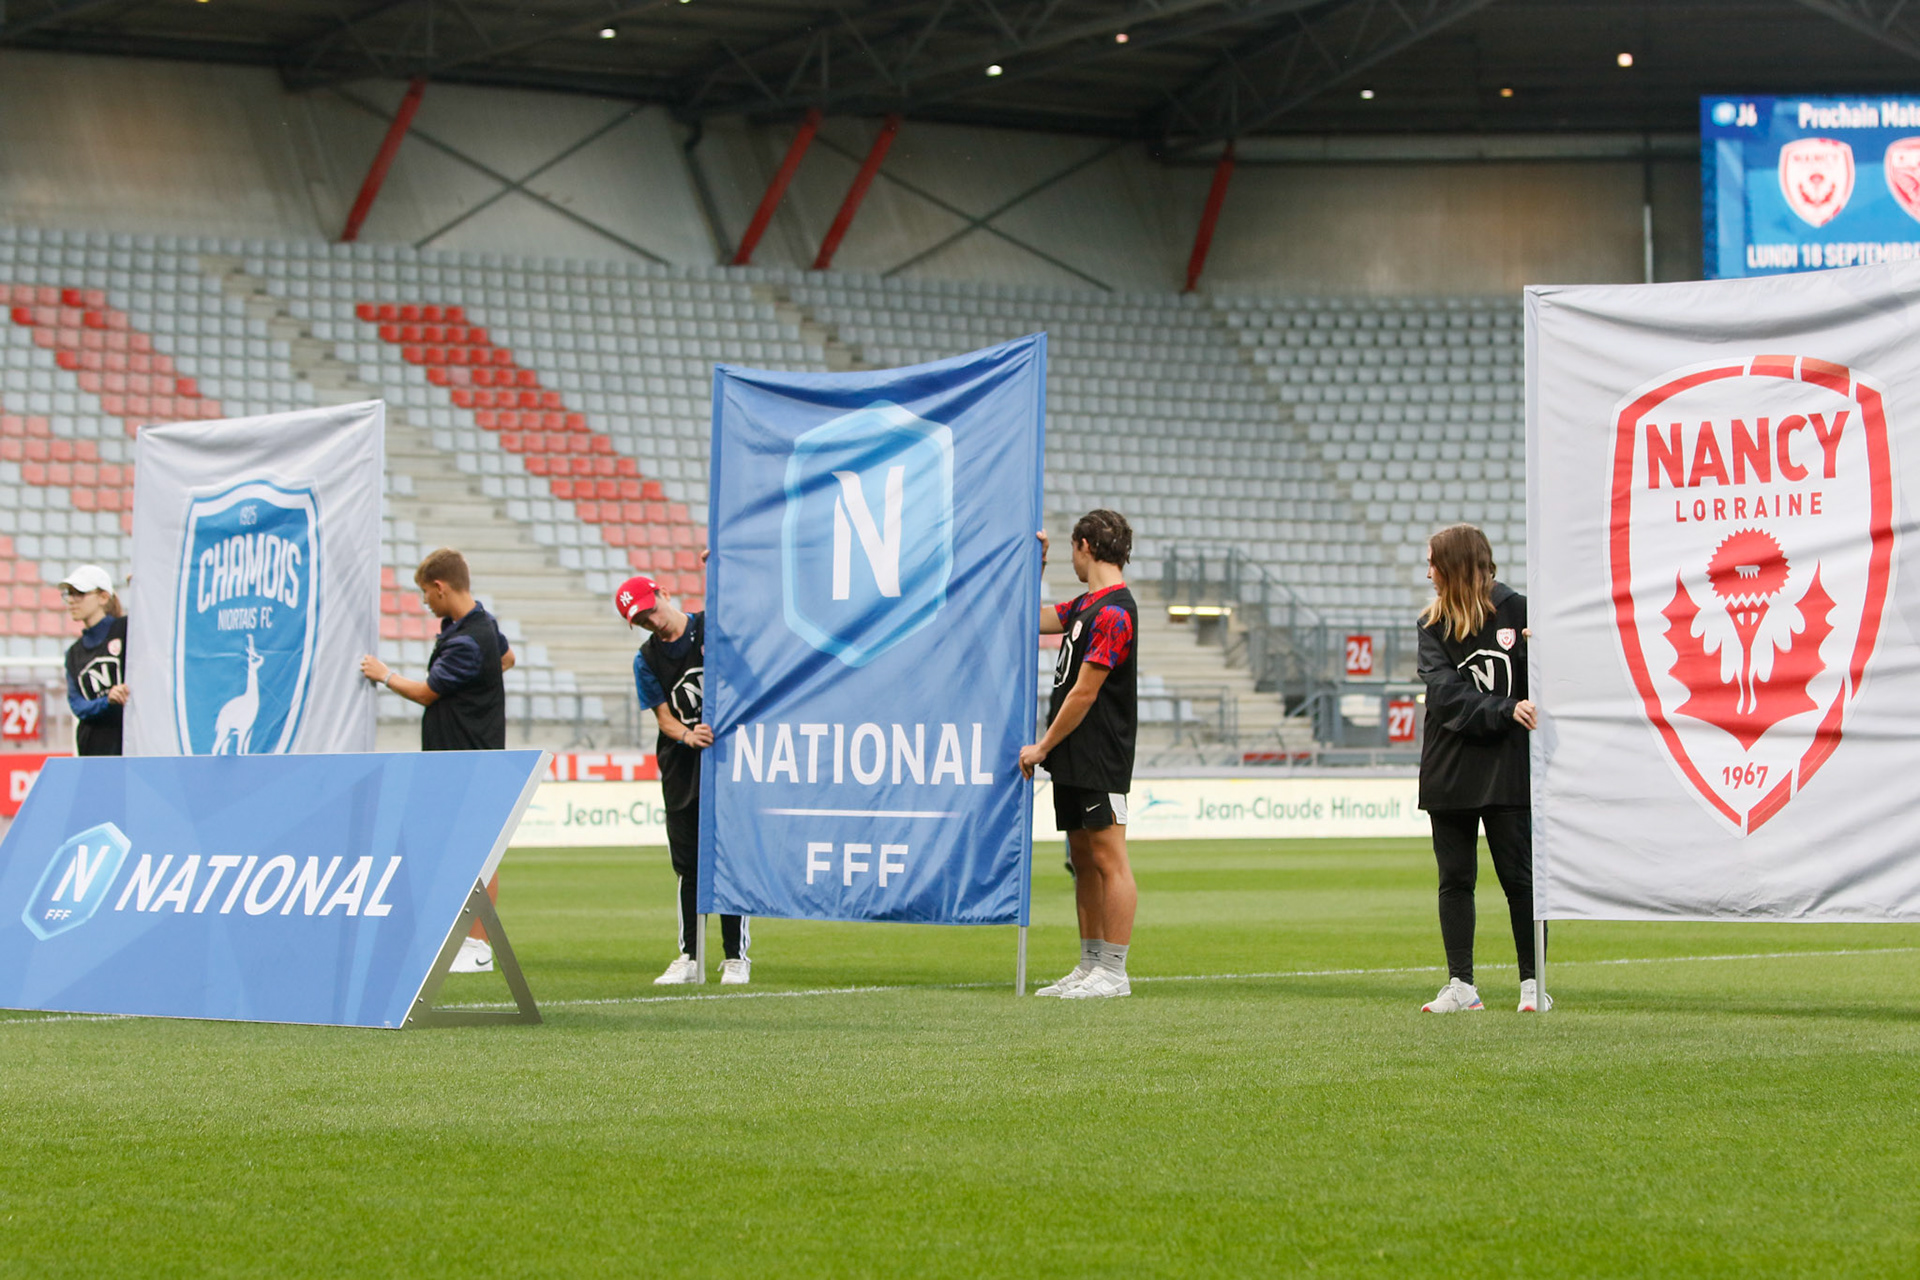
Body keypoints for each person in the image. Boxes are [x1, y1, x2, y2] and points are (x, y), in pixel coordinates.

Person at [359, 547, 514, 973]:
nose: (425, 601)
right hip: (464, 754)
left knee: (477, 851)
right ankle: (464, 939)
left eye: (426, 592)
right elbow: (507, 658)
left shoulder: (467, 641)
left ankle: (478, 946)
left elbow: (428, 693)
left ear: (441, 587)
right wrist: (479, 688)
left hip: (467, 756)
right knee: (461, 849)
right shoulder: (480, 625)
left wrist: (385, 675)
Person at [1414, 523, 1545, 1014]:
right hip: (1449, 770)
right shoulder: (1431, 625)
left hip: (1508, 768)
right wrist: (1505, 710)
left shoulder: (1521, 612)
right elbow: (1445, 696)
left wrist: (1536, 652)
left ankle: (1533, 984)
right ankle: (1461, 986)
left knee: (1520, 880)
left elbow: (1550, 684)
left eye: (1433, 563)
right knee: (1455, 879)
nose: (1429, 574)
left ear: (1455, 565)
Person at [1020, 509, 1139, 1000]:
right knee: (1083, 859)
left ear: (1085, 546)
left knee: (1110, 858)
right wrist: (1038, 566)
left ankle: (1114, 971)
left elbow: (1085, 692)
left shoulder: (1114, 612)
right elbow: (1033, 620)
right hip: (1073, 753)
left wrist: (1042, 746)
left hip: (1100, 753)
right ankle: (1090, 964)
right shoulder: (1087, 606)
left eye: (1071, 549)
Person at [618, 571, 750, 986]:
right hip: (681, 766)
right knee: (688, 866)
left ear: (663, 593)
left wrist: (722, 562)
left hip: (727, 760)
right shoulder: (646, 659)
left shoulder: (712, 627)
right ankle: (690, 955)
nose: (651, 622)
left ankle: (735, 957)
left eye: (651, 611)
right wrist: (688, 736)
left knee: (728, 861)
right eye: (641, 621)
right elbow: (664, 717)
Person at [61, 564, 130, 756]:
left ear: (103, 597)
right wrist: (107, 700)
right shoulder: (74, 653)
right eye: (69, 594)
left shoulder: (126, 629)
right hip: (91, 749)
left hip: (128, 746)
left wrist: (141, 588)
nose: (71, 600)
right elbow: (78, 705)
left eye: (80, 593)